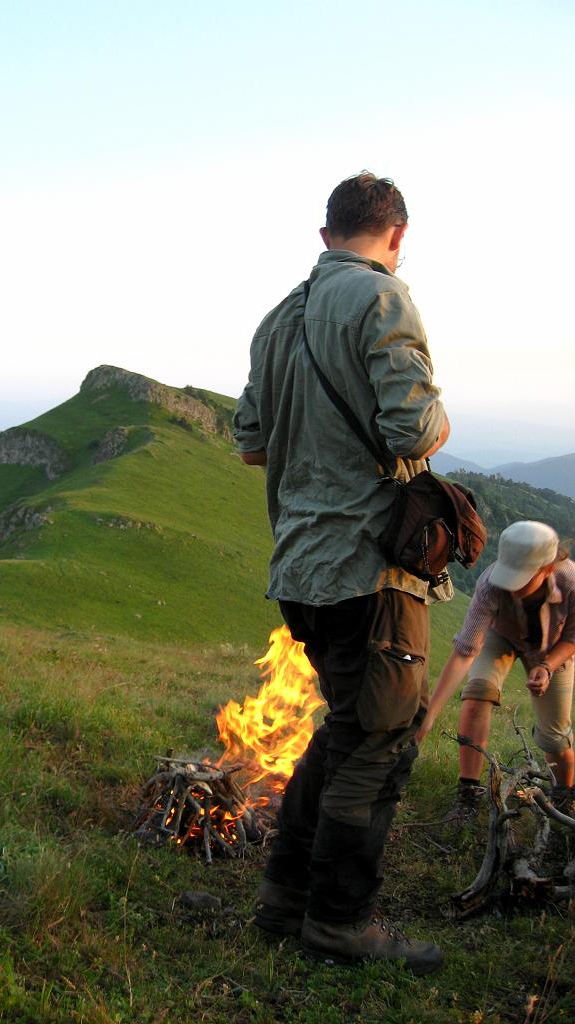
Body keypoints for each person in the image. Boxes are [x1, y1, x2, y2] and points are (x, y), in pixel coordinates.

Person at [233, 171, 449, 975]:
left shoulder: (277, 318)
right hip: (368, 569)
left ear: (326, 235)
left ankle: (282, 901)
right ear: (395, 237)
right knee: (380, 743)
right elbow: (413, 428)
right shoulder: (382, 299)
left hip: (298, 566)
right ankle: (339, 922)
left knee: (344, 731)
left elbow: (251, 441)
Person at [417, 521, 575, 816]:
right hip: (501, 636)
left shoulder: (571, 583)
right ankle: (468, 794)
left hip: (553, 647)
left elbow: (572, 637)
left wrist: (546, 666)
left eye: (522, 580)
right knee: (476, 696)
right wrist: (431, 714)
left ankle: (564, 796)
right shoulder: (490, 585)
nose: (512, 588)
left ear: (548, 569)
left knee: (554, 737)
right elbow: (465, 651)